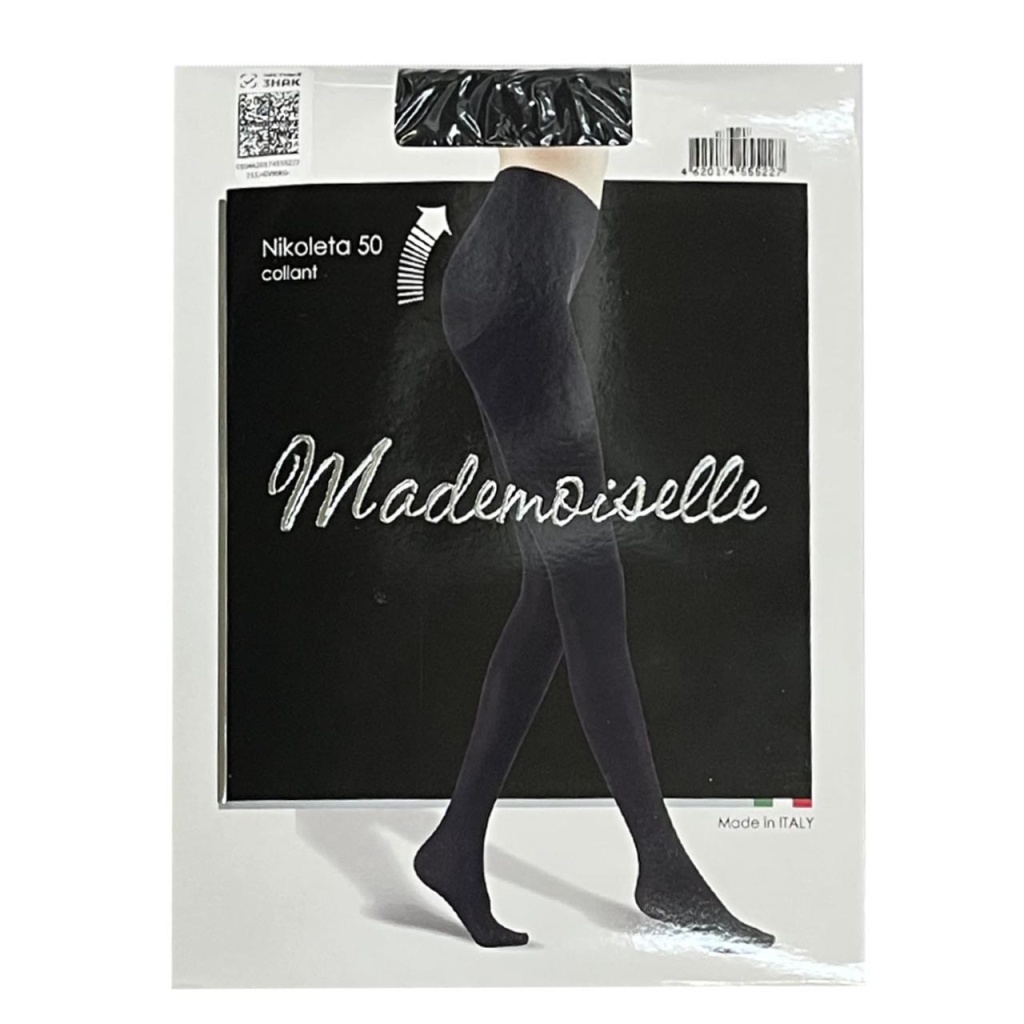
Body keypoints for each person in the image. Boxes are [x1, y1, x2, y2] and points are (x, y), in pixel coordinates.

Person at [413, 145, 775, 950]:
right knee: (590, 579)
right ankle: (662, 867)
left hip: (519, 276)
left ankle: (456, 843)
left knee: (554, 590)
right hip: (519, 286)